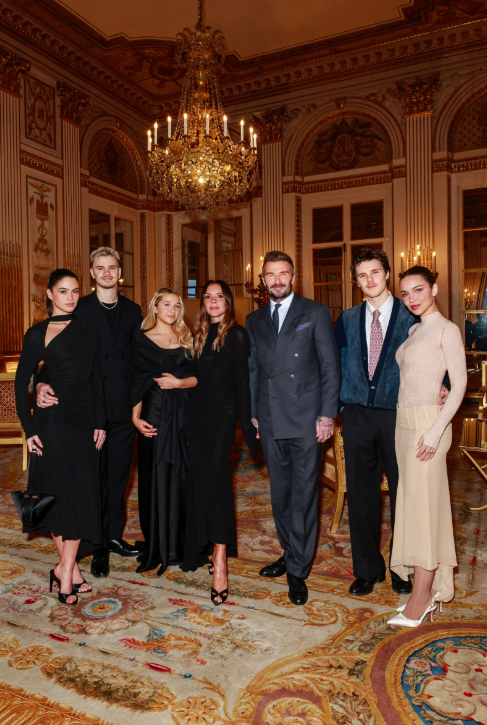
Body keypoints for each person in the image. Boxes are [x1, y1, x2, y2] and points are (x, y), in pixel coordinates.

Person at [335, 248, 448, 597]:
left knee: (405, 493)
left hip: (399, 416)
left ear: (387, 274)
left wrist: (443, 384)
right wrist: (340, 406)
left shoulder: (411, 313)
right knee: (361, 494)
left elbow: (435, 351)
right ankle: (367, 570)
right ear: (356, 282)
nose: (369, 279)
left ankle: (402, 566)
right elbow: (335, 364)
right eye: (362, 275)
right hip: (356, 416)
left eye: (375, 272)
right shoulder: (346, 319)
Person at [36, 247, 144, 578]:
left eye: (112, 267)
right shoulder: (77, 307)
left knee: (118, 478)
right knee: (90, 479)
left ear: (120, 273)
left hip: (122, 407)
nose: (107, 272)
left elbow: (140, 358)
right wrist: (41, 383)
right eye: (100, 267)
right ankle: (96, 546)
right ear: (92, 274)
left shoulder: (133, 310)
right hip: (86, 408)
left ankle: (111, 537)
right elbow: (55, 353)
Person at [246, 251, 340, 606]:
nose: (277, 280)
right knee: (280, 495)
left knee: (303, 497)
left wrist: (327, 415)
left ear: (293, 277)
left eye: (283, 274)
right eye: (271, 275)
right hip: (270, 417)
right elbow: (253, 369)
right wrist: (254, 413)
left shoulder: (314, 312)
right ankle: (289, 552)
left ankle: (298, 570)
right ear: (263, 280)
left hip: (306, 420)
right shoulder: (254, 319)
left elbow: (330, 367)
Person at [15, 269, 106, 605]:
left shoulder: (89, 330)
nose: (70, 297)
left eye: (75, 291)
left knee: (81, 493)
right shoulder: (37, 333)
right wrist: (29, 429)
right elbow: (21, 381)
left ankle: (64, 569)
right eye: (63, 291)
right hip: (51, 419)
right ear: (50, 294)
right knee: (53, 492)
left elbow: (97, 378)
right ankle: (69, 573)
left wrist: (101, 421)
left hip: (84, 418)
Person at [388, 266, 466, 627]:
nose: (412, 299)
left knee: (425, 513)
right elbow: (421, 376)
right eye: (405, 294)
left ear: (434, 288)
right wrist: (438, 388)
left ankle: (422, 597)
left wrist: (436, 431)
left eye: (418, 290)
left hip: (427, 426)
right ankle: (426, 590)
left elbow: (460, 384)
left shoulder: (447, 329)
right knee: (413, 507)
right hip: (404, 423)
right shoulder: (415, 329)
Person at [182, 280, 257, 605]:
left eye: (219, 297)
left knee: (218, 483)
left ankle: (221, 559)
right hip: (196, 417)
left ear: (227, 301)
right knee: (200, 482)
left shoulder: (237, 334)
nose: (213, 302)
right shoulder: (198, 334)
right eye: (208, 297)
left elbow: (243, 381)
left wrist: (248, 422)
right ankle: (205, 547)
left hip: (223, 418)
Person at [131, 289, 198, 575]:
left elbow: (200, 377)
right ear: (155, 307)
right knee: (154, 477)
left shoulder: (188, 338)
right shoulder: (141, 340)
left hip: (185, 416)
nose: (172, 309)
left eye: (177, 305)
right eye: (166, 304)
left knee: (182, 478)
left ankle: (180, 545)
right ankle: (157, 545)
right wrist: (134, 416)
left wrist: (179, 383)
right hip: (154, 414)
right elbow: (136, 381)